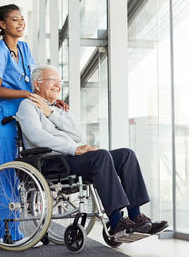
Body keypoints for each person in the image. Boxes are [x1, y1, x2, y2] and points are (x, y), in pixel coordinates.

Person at [16, 64, 168, 236]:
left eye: (60, 81)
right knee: (100, 156)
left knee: (126, 155)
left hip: (70, 159)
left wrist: (51, 112)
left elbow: (78, 134)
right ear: (37, 84)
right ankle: (116, 221)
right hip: (50, 161)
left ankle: (136, 217)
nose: (58, 85)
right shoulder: (27, 106)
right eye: (53, 80)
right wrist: (73, 148)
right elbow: (36, 137)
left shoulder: (58, 109)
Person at [0, 4, 67, 247]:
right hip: (2, 119)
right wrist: (23, 93)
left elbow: (35, 81)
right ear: (3, 25)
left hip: (23, 117)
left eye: (22, 19)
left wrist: (52, 99)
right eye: (14, 20)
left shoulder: (24, 47)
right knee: (7, 172)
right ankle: (9, 231)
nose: (21, 23)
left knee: (13, 173)